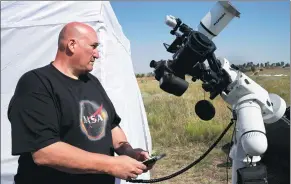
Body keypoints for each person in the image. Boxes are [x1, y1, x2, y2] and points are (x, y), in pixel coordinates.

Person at [7, 22, 153, 184]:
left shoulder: (92, 82)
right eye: (93, 46)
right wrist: (111, 164)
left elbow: (111, 126)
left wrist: (129, 151)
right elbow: (44, 152)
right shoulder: (37, 83)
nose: (97, 54)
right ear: (72, 45)